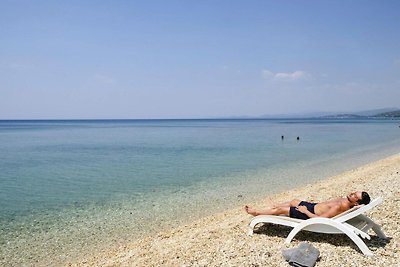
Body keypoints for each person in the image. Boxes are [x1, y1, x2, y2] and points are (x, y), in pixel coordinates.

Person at [244, 191, 370, 220]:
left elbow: (320, 220)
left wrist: (305, 211)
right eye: (354, 192)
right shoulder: (348, 203)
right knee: (294, 201)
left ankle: (257, 212)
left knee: (281, 210)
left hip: (309, 213)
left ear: (356, 202)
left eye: (355, 196)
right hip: (313, 206)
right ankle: (274, 207)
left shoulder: (340, 207)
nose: (352, 193)